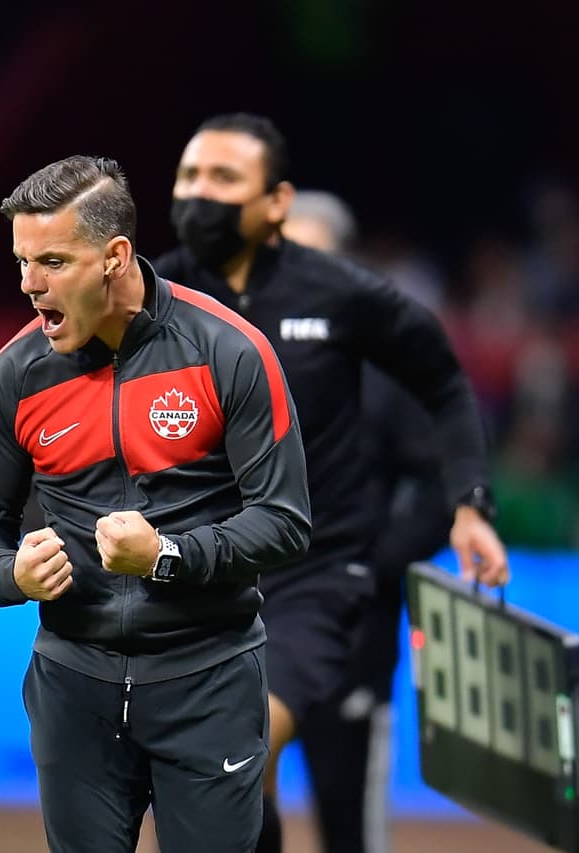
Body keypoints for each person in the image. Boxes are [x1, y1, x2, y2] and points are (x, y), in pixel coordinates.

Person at [153, 113, 509, 853]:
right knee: (233, 785)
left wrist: (468, 505)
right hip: (196, 575)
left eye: (224, 179)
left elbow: (444, 383)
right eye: (190, 176)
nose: (200, 195)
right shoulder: (154, 295)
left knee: (235, 753)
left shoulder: (341, 293)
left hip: (314, 580)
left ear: (275, 201)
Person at [0, 155, 313, 853]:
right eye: (23, 261)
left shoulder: (228, 352)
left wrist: (168, 555)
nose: (30, 284)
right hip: (73, 687)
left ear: (115, 257)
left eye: (53, 261)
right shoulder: (15, 373)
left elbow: (285, 520)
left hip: (208, 682)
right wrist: (11, 574)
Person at [284, 190, 453, 853]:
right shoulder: (237, 359)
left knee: (349, 825)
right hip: (246, 627)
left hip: (350, 638)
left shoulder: (386, 372)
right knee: (226, 812)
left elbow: (445, 487)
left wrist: (370, 567)